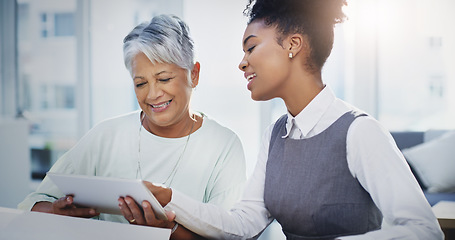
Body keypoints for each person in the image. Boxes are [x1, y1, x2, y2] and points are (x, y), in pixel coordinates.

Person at [122, 0, 445, 239]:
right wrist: (169, 198)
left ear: (293, 45)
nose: (242, 63)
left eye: (251, 47)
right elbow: (243, 223)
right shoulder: (276, 134)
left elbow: (423, 230)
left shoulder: (359, 131)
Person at [18, 14, 246, 239]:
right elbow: (32, 203)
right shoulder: (106, 136)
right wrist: (54, 213)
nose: (153, 94)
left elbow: (230, 234)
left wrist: (169, 232)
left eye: (164, 79)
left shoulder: (223, 146)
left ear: (194, 75)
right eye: (141, 83)